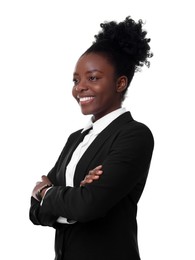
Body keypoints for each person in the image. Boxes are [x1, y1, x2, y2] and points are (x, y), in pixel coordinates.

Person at [29, 16, 154, 260]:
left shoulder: (134, 135)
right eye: (76, 80)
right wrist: (72, 198)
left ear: (120, 83)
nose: (80, 87)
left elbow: (88, 206)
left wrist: (46, 192)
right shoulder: (76, 138)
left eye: (93, 78)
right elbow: (35, 213)